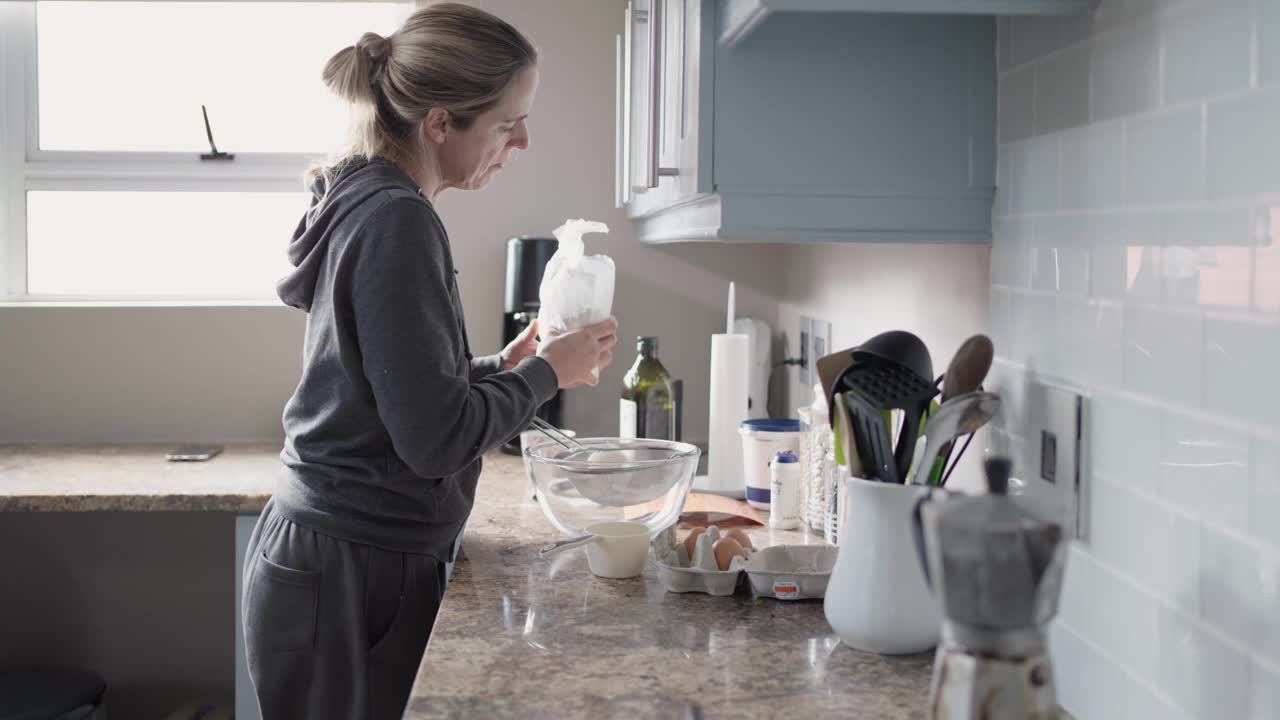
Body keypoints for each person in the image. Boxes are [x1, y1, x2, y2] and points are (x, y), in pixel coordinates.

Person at [240, 4, 618, 718]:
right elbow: (435, 438)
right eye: (508, 123)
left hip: (337, 556)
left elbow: (393, 389)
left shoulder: (373, 200)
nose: (524, 141)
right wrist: (546, 374)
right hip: (350, 568)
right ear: (441, 123)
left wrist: (501, 367)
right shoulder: (396, 219)